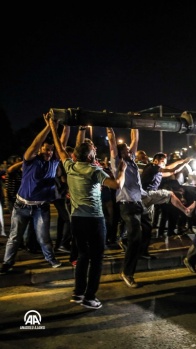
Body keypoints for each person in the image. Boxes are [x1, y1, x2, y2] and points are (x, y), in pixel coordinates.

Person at [49, 116, 126, 309]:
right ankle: (90, 297)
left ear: (76, 155)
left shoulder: (70, 166)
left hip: (77, 219)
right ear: (91, 156)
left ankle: (78, 293)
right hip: (94, 219)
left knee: (83, 255)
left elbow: (59, 148)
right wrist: (123, 170)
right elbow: (116, 185)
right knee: (97, 258)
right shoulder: (95, 171)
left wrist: (52, 126)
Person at [107, 127, 193, 288]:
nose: (129, 151)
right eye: (126, 150)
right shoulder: (117, 162)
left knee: (147, 227)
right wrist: (110, 129)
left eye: (128, 150)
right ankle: (127, 272)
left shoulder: (131, 161)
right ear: (120, 153)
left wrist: (134, 125)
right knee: (135, 237)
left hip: (140, 201)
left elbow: (135, 140)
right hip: (127, 205)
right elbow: (112, 144)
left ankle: (138, 250)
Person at [0, 114, 69, 274]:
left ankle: (51, 259)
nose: (49, 153)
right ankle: (7, 263)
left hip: (41, 207)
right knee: (15, 237)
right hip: (21, 206)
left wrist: (64, 126)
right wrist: (49, 126)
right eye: (46, 149)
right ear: (40, 150)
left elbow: (62, 143)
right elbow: (35, 143)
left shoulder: (53, 162)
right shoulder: (30, 160)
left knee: (43, 238)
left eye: (51, 150)